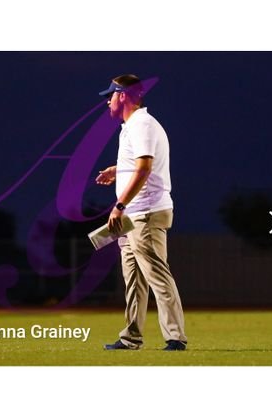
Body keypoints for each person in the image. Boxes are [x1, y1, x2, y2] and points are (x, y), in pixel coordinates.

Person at [96, 74, 187, 351]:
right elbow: (140, 164)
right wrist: (118, 169)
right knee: (133, 280)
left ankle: (175, 337)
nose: (107, 102)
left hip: (144, 213)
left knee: (157, 273)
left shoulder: (141, 124)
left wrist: (119, 205)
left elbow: (146, 168)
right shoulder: (133, 126)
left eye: (110, 95)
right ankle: (131, 337)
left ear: (122, 95)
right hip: (133, 215)